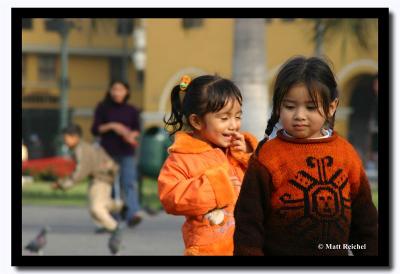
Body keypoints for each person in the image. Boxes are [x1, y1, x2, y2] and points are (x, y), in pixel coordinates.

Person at [233, 56, 378, 256]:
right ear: (277, 107)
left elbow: (366, 226)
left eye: (310, 107)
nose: (299, 115)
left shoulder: (346, 155)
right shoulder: (266, 158)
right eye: (290, 106)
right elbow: (248, 226)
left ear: (331, 107)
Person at [158, 75, 258, 256]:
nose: (234, 125)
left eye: (238, 116)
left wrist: (248, 155)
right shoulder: (183, 157)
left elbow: (263, 184)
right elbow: (170, 196)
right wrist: (216, 186)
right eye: (224, 118)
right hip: (209, 250)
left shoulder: (237, 150)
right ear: (196, 121)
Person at [53, 124, 123, 242]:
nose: (65, 142)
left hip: (101, 179)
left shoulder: (82, 149)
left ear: (74, 137)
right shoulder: (83, 148)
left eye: (66, 139)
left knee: (97, 208)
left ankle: (114, 226)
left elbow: (80, 172)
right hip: (97, 178)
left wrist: (63, 185)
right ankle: (109, 218)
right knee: (93, 207)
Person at [91, 80, 143, 228]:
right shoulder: (102, 108)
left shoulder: (131, 110)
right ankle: (112, 216)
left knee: (129, 183)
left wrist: (131, 135)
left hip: (127, 152)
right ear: (110, 91)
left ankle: (132, 213)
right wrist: (113, 126)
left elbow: (137, 129)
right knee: (110, 185)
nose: (117, 93)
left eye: (121, 89)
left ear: (127, 92)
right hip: (107, 153)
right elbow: (95, 129)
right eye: (114, 89)